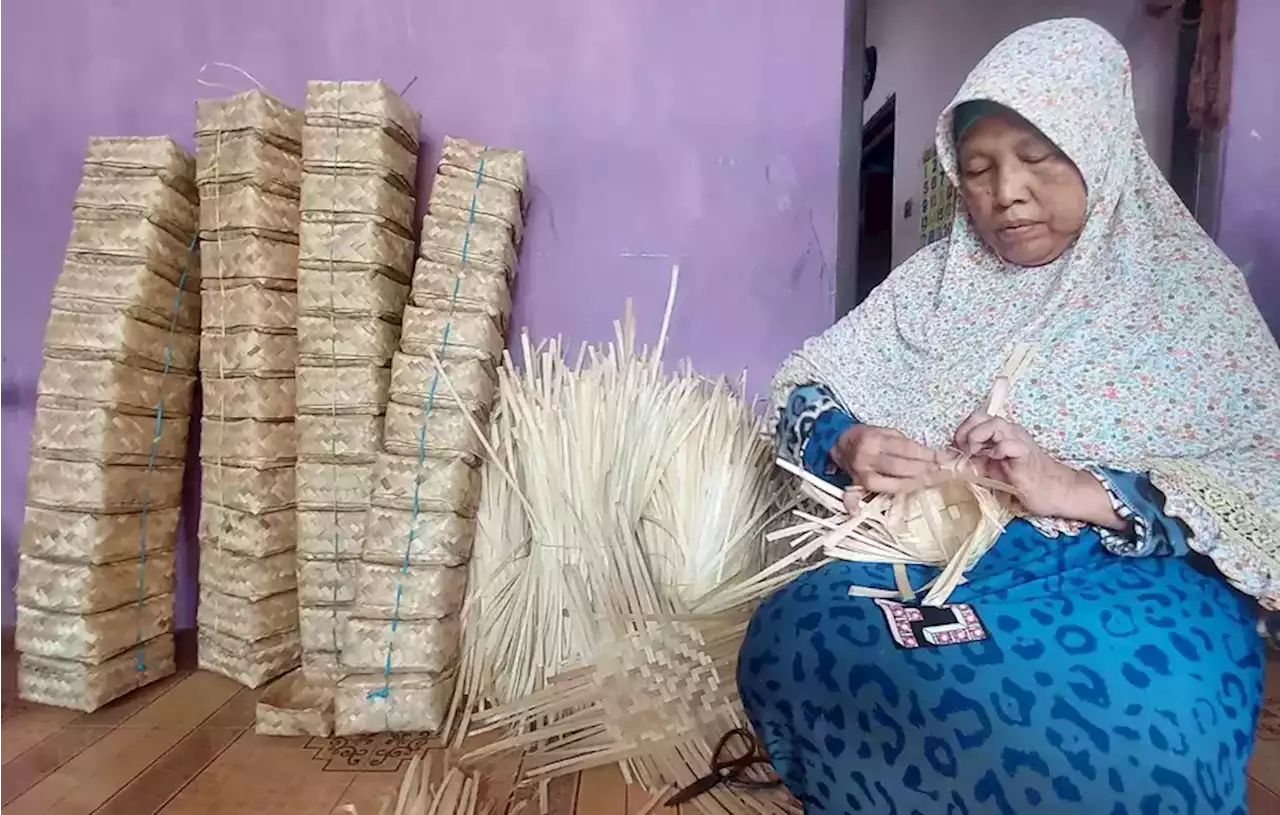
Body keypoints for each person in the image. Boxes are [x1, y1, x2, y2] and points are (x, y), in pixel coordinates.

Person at [738, 18, 1279, 815]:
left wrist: (1076, 487)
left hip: (1124, 583)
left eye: (1039, 159)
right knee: (797, 636)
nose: (1005, 192)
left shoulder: (1192, 297)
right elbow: (802, 382)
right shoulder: (938, 280)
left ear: (1100, 147)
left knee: (1139, 729)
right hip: (942, 567)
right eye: (980, 169)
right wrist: (846, 440)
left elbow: (1263, 477)